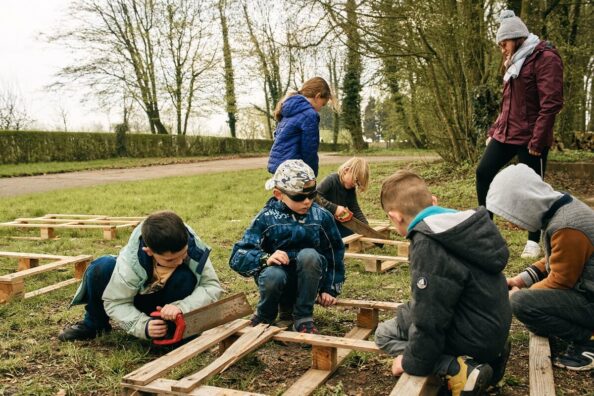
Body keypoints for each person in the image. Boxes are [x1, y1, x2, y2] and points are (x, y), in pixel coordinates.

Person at [375, 170, 512, 396]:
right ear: (434, 201)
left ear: (395, 217)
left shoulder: (428, 243)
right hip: (492, 328)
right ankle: (490, 360)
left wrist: (410, 362)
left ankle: (459, 369)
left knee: (384, 333)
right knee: (408, 312)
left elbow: (430, 318)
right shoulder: (464, 227)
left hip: (473, 336)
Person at [486, 163, 594, 371]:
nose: (512, 224)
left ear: (524, 203)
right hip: (586, 291)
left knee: (522, 304)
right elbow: (555, 258)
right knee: (526, 303)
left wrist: (522, 294)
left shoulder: (566, 226)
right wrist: (520, 280)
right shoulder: (562, 209)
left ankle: (588, 340)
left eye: (511, 214)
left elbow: (561, 281)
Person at [475, 9, 563, 259]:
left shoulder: (545, 57)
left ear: (516, 37)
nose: (502, 48)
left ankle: (533, 240)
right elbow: (508, 103)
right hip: (507, 133)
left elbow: (552, 102)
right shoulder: (514, 62)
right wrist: (494, 130)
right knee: (483, 172)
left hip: (532, 137)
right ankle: (485, 233)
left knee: (531, 187)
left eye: (504, 43)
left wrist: (537, 141)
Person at [58, 211, 223, 342]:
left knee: (185, 276)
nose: (180, 261)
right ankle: (94, 325)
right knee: (102, 266)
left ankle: (173, 328)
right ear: (149, 251)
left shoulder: (193, 245)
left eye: (183, 254)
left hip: (171, 306)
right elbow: (116, 301)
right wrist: (143, 326)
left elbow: (211, 286)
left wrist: (182, 307)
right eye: (170, 259)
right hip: (139, 300)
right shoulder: (130, 261)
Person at [229, 159, 345, 333]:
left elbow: (335, 251)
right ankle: (265, 315)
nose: (307, 201)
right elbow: (238, 255)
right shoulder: (266, 217)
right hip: (277, 282)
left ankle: (304, 316)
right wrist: (265, 258)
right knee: (273, 274)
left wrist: (330, 288)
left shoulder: (322, 216)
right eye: (299, 197)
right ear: (278, 194)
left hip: (310, 282)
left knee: (309, 256)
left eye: (312, 195)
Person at [267, 77, 336, 177]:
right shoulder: (309, 115)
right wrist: (312, 175)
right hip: (293, 170)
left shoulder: (289, 108)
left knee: (282, 193)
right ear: (317, 96)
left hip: (279, 167)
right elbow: (309, 150)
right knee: (301, 193)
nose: (321, 108)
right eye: (323, 104)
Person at [317, 157, 370, 237]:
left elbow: (355, 209)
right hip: (319, 221)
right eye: (356, 180)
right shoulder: (330, 180)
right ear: (346, 171)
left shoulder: (350, 189)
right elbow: (314, 197)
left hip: (334, 222)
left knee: (353, 233)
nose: (355, 185)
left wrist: (366, 227)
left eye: (358, 184)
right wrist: (334, 208)